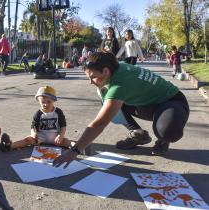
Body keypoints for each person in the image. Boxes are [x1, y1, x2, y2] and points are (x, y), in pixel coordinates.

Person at [53, 52, 189, 168]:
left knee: (168, 132)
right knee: (106, 99)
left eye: (93, 77)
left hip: (171, 102)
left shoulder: (120, 84)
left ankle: (163, 139)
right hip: (144, 103)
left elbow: (99, 123)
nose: (91, 82)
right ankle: (138, 133)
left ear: (106, 71)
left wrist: (74, 150)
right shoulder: (116, 68)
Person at [0, 86, 74, 151]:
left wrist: (60, 135)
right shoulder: (38, 113)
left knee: (66, 142)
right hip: (40, 137)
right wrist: (34, 133)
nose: (46, 104)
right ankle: (9, 146)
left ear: (53, 100)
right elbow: (33, 126)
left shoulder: (58, 112)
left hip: (55, 137)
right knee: (27, 140)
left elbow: (63, 126)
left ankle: (77, 147)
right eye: (43, 102)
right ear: (39, 102)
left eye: (49, 102)